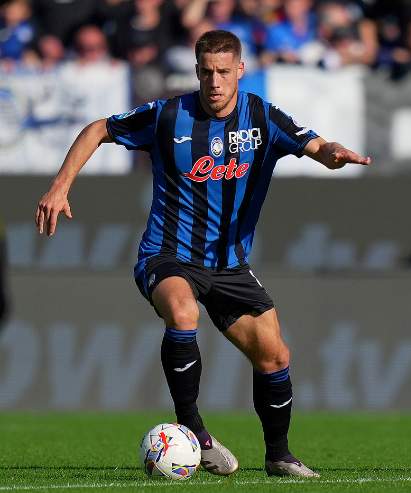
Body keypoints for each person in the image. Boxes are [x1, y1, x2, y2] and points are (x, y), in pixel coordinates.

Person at [36, 29, 371, 478]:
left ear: (240, 71)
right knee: (182, 311)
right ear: (197, 71)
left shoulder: (262, 118)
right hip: (168, 253)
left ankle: (279, 455)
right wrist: (60, 187)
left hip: (230, 265)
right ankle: (194, 430)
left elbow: (315, 145)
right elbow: (99, 128)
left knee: (275, 357)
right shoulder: (168, 115)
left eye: (224, 72)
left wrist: (331, 154)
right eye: (207, 72)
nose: (215, 82)